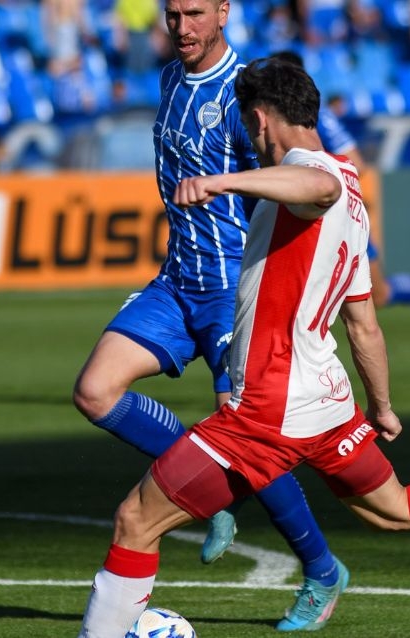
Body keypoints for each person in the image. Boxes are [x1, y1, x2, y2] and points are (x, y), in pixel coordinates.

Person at [76, 57, 410, 638]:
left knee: (136, 521)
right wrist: (381, 407)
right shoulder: (354, 192)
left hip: (268, 406)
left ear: (259, 120)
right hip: (327, 398)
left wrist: (221, 182)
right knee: (396, 509)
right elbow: (363, 324)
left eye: (247, 126)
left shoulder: (313, 177)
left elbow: (314, 188)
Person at [71, 0, 348, 631]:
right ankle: (210, 492)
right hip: (177, 281)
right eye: (172, 15)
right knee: (95, 390)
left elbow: (300, 180)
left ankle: (322, 568)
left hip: (233, 290)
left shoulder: (246, 95)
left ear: (224, 11)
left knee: (247, 436)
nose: (182, 27)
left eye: (195, 13)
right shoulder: (170, 77)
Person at [271, 50, 410, 336]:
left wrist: (318, 179)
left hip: (336, 214)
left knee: (378, 295)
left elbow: (357, 162)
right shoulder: (267, 118)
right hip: (302, 216)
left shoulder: (316, 116)